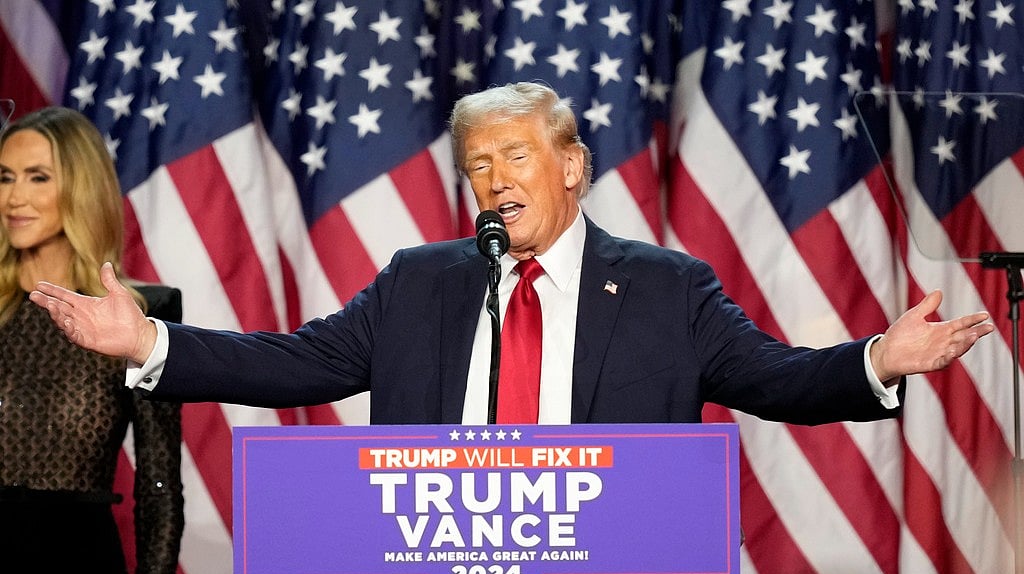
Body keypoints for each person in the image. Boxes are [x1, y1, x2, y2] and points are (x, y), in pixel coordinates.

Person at [28, 82, 992, 429]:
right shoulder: (421, 281)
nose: (493, 179)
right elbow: (299, 362)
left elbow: (776, 378)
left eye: (515, 157)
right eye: (475, 164)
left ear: (572, 166)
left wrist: (877, 361)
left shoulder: (669, 288)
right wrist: (151, 340)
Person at [0, 107, 184, 574]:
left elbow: (159, 483)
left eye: (37, 178)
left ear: (82, 189)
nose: (14, 198)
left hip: (79, 558)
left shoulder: (140, 313)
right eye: (5, 177)